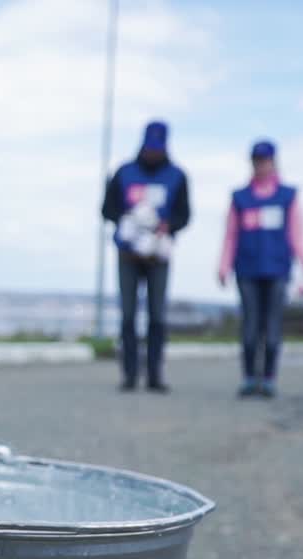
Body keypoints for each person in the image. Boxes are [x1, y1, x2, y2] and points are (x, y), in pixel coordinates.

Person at [217, 139, 303, 398]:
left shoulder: (287, 196)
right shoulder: (240, 198)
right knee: (250, 326)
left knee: (272, 327)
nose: (261, 166)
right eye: (257, 161)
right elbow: (231, 235)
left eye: (265, 161)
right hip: (247, 270)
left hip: (277, 270)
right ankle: (250, 377)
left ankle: (270, 377)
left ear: (274, 163)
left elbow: (297, 235)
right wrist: (223, 265)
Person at [101, 120, 191, 393]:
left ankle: (154, 374)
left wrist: (168, 226)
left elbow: (184, 214)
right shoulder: (124, 173)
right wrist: (127, 221)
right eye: (149, 147)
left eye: (157, 147)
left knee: (157, 316)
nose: (152, 152)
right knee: (128, 315)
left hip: (158, 255)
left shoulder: (177, 176)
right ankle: (129, 373)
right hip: (128, 254)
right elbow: (107, 209)